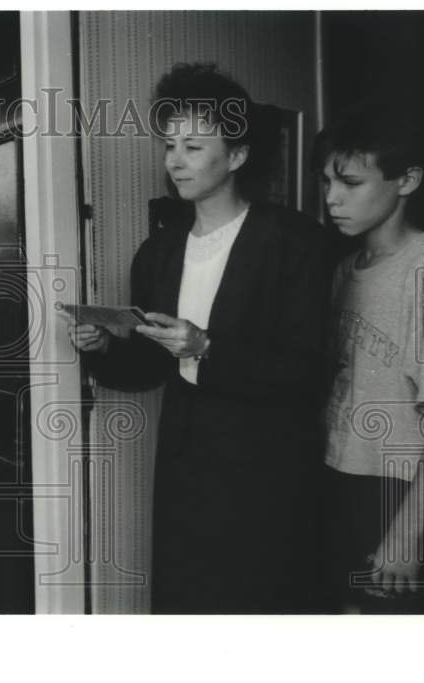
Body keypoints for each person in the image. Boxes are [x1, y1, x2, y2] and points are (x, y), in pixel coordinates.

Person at [66, 63, 330, 613]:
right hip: (187, 466)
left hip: (269, 469)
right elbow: (148, 368)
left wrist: (207, 348)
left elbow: (309, 370)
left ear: (237, 155)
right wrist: (106, 348)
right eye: (169, 145)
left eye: (192, 145)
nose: (174, 160)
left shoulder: (295, 242)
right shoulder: (158, 251)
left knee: (262, 609)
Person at [316, 98, 424, 613]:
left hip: (401, 493)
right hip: (339, 478)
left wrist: (406, 535)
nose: (332, 199)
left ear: (408, 180)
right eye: (327, 183)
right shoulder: (344, 268)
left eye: (350, 184)